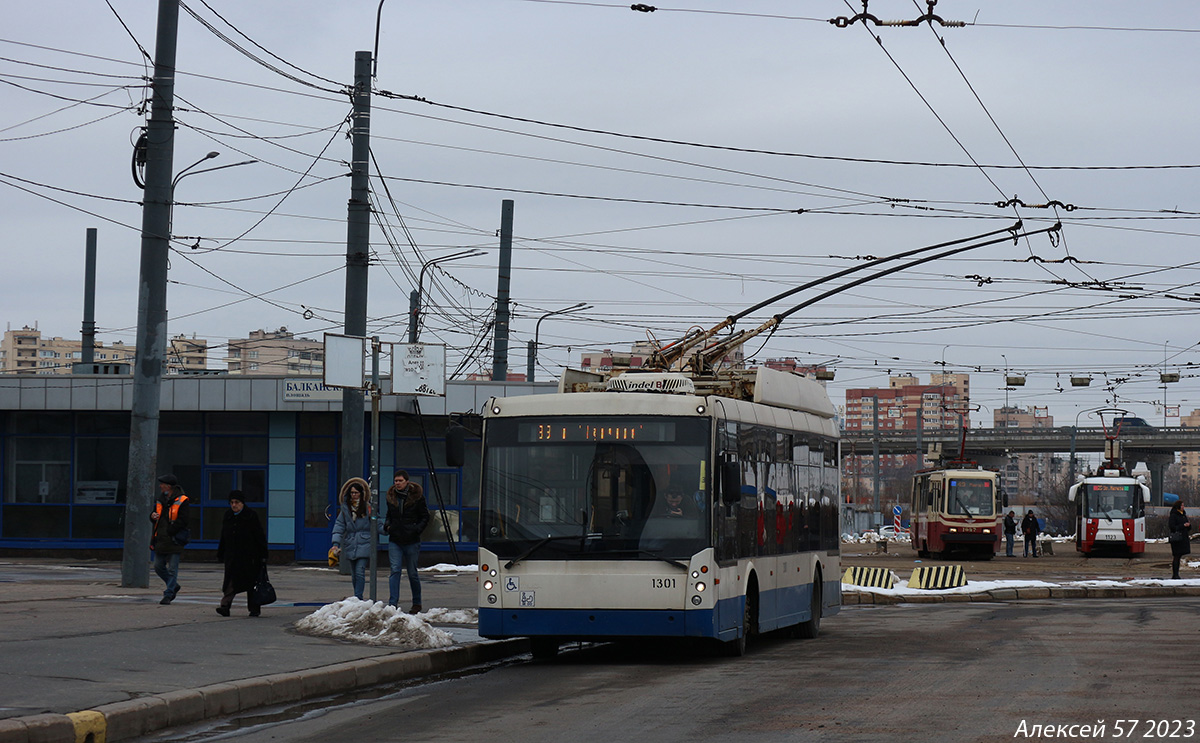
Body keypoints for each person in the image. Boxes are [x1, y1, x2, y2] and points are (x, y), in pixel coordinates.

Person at [215, 490, 268, 617]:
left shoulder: (250, 516)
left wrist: (263, 555)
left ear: (242, 503)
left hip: (249, 557)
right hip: (232, 556)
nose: (234, 505)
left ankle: (254, 608)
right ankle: (225, 606)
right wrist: (221, 552)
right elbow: (224, 536)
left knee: (251, 584)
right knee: (230, 583)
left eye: (237, 502)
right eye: (232, 502)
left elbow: (259, 536)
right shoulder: (228, 516)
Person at [384, 470, 431, 614]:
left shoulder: (417, 497)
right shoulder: (391, 497)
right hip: (395, 539)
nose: (397, 483)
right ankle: (393, 603)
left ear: (407, 482)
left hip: (411, 540)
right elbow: (389, 515)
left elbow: (425, 516)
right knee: (395, 570)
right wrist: (388, 526)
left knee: (412, 573)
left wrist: (416, 529)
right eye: (395, 481)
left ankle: (417, 603)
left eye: (400, 481)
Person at [150, 474, 190, 605]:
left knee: (173, 569)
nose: (160, 486)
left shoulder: (183, 500)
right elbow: (154, 515)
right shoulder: (160, 499)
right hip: (160, 539)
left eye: (162, 484)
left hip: (174, 539)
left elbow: (183, 520)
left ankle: (168, 594)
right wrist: (152, 516)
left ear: (169, 486)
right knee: (158, 566)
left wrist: (170, 531)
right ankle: (173, 585)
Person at [331, 478, 373, 600]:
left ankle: (358, 597)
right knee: (354, 574)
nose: (354, 495)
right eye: (352, 493)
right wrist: (335, 543)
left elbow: (377, 523)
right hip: (350, 543)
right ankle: (356, 596)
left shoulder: (367, 508)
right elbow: (339, 526)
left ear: (362, 493)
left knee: (360, 571)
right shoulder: (345, 509)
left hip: (364, 542)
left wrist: (388, 529)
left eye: (356, 493)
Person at [1168, 500, 1191, 580]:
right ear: (1178, 506)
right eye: (1182, 505)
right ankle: (1175, 574)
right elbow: (1172, 527)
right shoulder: (1174, 515)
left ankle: (1176, 574)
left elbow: (1187, 527)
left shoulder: (1183, 515)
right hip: (1177, 539)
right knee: (1176, 556)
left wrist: (1188, 525)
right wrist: (1183, 525)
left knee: (1179, 555)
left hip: (1183, 538)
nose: (1183, 507)